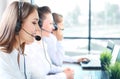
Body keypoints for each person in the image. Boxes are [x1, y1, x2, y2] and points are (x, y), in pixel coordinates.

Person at [24, 6, 74, 79]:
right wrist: (64, 76)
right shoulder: (29, 47)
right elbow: (38, 77)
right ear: (39, 24)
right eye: (50, 23)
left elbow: (48, 66)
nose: (53, 27)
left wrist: (63, 70)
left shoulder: (42, 44)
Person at [0, 1, 40, 79]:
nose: (38, 28)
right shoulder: (2, 58)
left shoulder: (21, 54)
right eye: (34, 22)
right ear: (17, 24)